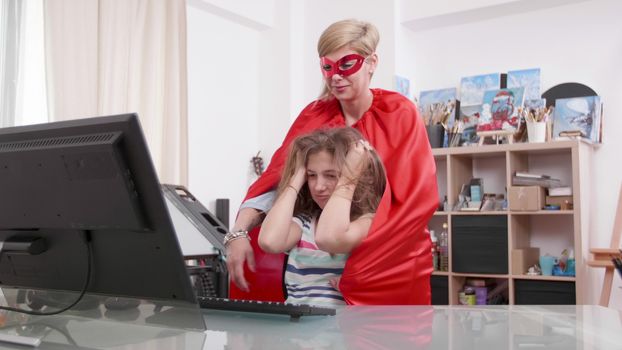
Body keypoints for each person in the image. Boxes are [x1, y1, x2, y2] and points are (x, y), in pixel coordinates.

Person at [225, 18, 438, 304]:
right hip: (321, 262)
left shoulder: (398, 113)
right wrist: (237, 233)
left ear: (372, 62)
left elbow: (412, 199)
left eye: (346, 65)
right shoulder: (313, 116)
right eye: (327, 67)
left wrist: (365, 271)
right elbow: (276, 178)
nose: (335, 76)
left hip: (390, 260)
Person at [258, 127, 386, 306]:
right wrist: (296, 178)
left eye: (331, 175)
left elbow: (330, 237)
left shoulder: (368, 221)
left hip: (341, 331)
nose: (318, 186)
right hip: (297, 329)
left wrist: (348, 178)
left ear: (358, 176)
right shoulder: (304, 223)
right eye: (311, 175)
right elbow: (269, 241)